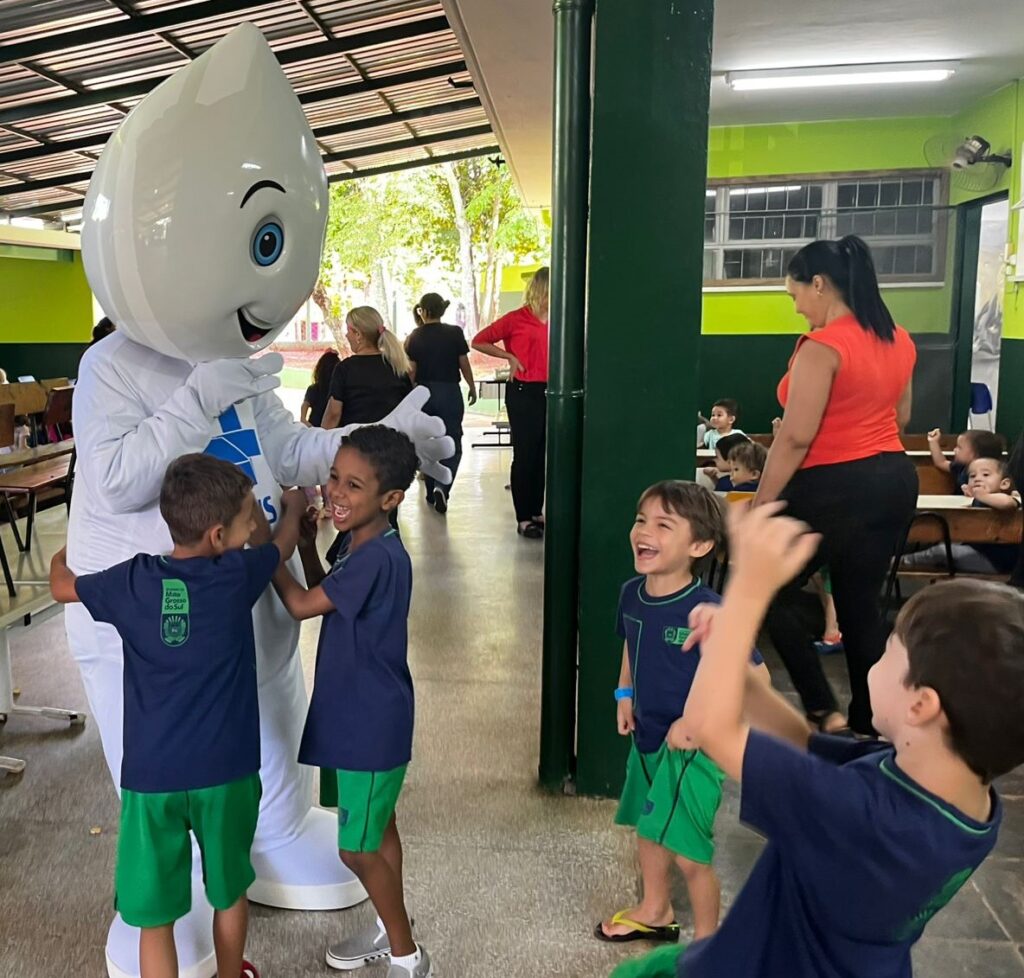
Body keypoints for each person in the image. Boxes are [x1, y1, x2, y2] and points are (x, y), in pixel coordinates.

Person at [609, 503, 1024, 978]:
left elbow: (711, 729)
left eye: (889, 650)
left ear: (921, 705)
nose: (875, 659)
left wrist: (747, 592)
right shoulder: (952, 793)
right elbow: (800, 743)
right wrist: (733, 667)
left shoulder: (861, 815)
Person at [49, 454, 308, 978]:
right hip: (226, 774)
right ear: (218, 536)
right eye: (244, 518)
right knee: (230, 892)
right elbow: (280, 546)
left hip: (152, 780)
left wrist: (66, 550)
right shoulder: (238, 573)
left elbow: (62, 586)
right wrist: (293, 507)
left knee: (155, 916)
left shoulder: (134, 581)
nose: (251, 524)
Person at [269, 426, 430, 978]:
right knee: (378, 830)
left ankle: (407, 956)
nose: (336, 491)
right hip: (358, 714)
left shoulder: (374, 559)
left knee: (355, 850)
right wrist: (311, 548)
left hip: (368, 722)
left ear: (390, 499)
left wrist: (269, 547)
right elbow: (328, 595)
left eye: (354, 485)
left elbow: (300, 605)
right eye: (334, 476)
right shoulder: (357, 543)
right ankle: (391, 928)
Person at [754, 235, 917, 736]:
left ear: (819, 285)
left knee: (763, 591)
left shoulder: (822, 347)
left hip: (836, 483)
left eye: (795, 294)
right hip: (893, 479)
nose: (798, 306)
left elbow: (796, 437)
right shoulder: (898, 338)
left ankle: (824, 710)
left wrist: (761, 505)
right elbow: (902, 416)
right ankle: (869, 726)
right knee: (859, 607)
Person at [596, 481, 765, 946]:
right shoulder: (632, 594)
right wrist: (624, 692)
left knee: (690, 856)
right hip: (647, 738)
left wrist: (697, 723)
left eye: (663, 525)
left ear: (700, 545)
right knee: (649, 828)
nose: (644, 531)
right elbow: (631, 644)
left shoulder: (707, 610)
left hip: (695, 751)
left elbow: (756, 683)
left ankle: (710, 944)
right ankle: (655, 909)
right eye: (641, 520)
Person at [472, 267, 549, 539]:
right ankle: (523, 516)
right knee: (525, 453)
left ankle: (537, 510)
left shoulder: (559, 320)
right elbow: (479, 341)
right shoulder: (517, 319)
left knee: (542, 455)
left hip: (550, 391)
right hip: (523, 390)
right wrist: (509, 357)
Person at [406, 292, 477, 514]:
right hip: (449, 391)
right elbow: (463, 363)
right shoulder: (455, 333)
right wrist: (472, 386)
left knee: (427, 442)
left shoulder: (415, 336)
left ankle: (430, 490)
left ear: (423, 311)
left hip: (424, 393)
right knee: (453, 440)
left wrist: (409, 396)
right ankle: (442, 487)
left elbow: (412, 370)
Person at [901, 456, 1021, 575]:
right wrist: (976, 496)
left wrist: (982, 496)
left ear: (1004, 484)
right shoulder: (984, 498)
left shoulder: (1006, 497)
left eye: (985, 475)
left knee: (942, 551)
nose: (978, 479)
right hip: (978, 552)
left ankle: (901, 562)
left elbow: (1008, 503)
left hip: (996, 561)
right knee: (944, 545)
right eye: (972, 476)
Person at [322, 307, 413, 430]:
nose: (346, 335)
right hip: (391, 441)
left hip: (356, 442)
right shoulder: (396, 366)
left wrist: (321, 439)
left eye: (348, 330)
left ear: (358, 334)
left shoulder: (345, 369)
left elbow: (333, 414)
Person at [926, 427, 1004, 491]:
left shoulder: (995, 474)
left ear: (975, 455)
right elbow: (941, 462)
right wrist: (933, 442)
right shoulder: (961, 467)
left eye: (959, 447)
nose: (954, 450)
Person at [301, 349, 341, 428]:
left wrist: (306, 423)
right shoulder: (339, 391)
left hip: (315, 427)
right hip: (334, 429)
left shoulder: (314, 389)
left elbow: (304, 408)